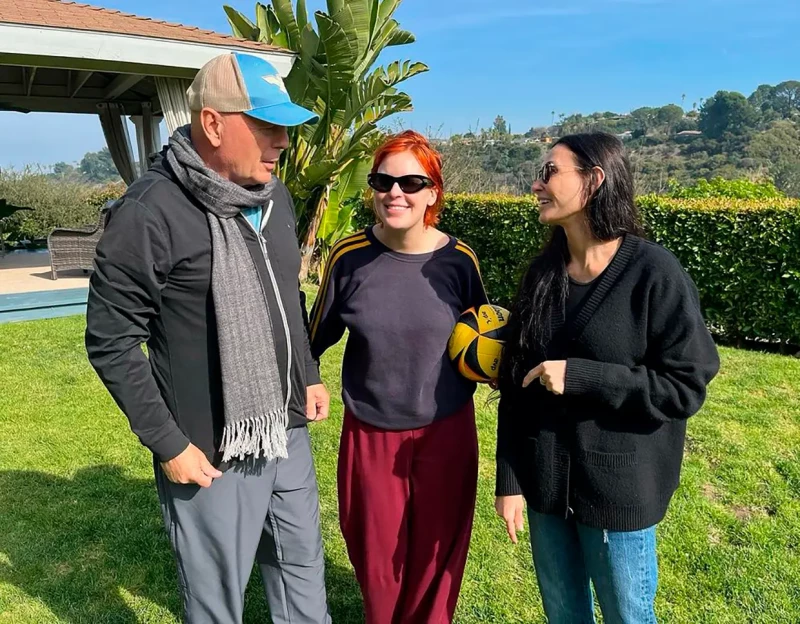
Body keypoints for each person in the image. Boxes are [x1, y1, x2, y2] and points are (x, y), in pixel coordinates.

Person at [85, 53, 332, 624]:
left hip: (285, 428)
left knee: (302, 579)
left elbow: (284, 296)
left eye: (286, 127)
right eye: (267, 125)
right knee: (218, 603)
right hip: (210, 450)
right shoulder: (148, 212)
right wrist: (167, 442)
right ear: (214, 123)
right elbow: (111, 338)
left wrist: (309, 372)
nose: (283, 142)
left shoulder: (273, 196)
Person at [494, 132, 720, 624]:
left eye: (550, 172)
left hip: (619, 496)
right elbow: (515, 384)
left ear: (593, 181)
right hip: (546, 492)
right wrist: (510, 479)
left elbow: (686, 384)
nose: (536, 183)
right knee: (563, 615)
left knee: (627, 617)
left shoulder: (654, 274)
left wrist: (584, 377)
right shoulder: (542, 275)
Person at [309, 130, 487, 624]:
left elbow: (482, 340)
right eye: (383, 181)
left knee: (437, 553)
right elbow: (310, 340)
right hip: (371, 431)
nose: (395, 192)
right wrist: (309, 377)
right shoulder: (349, 258)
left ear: (433, 192)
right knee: (376, 557)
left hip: (446, 429)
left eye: (411, 181)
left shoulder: (460, 261)